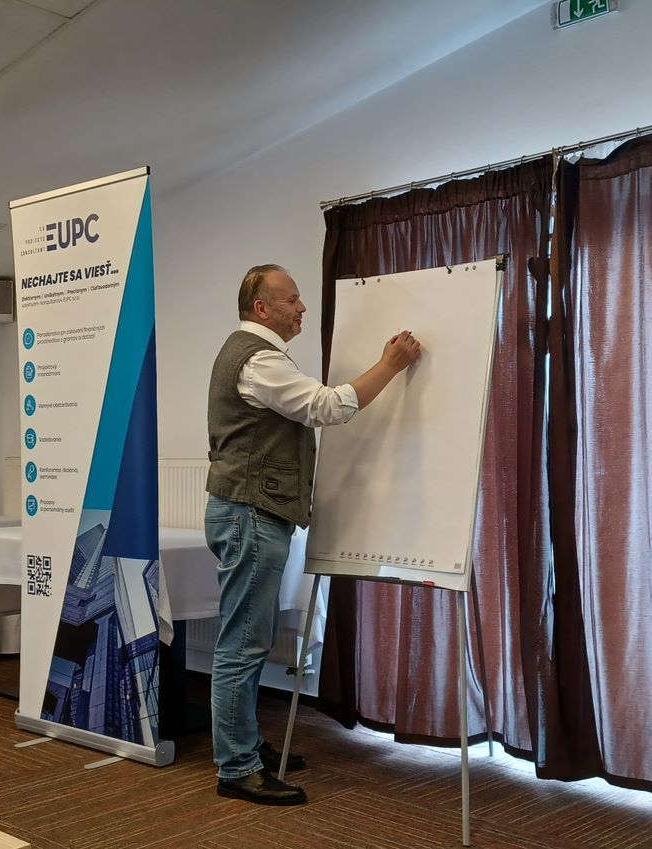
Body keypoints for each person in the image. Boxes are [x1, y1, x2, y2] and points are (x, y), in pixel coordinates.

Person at [204, 263, 422, 806]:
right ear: (262, 309)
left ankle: (246, 745)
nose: (302, 308)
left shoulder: (257, 355)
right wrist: (390, 365)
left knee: (248, 640)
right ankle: (237, 767)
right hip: (250, 513)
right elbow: (327, 406)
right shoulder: (258, 359)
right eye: (292, 299)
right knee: (243, 644)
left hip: (251, 512)